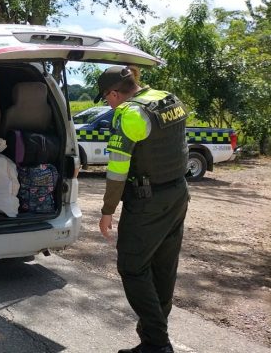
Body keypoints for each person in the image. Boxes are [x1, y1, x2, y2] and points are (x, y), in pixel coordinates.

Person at [94, 66, 190, 353]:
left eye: (107, 99)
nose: (109, 104)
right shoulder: (167, 99)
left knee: (132, 267)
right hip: (178, 193)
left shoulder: (130, 114)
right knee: (163, 268)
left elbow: (118, 170)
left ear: (114, 92)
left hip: (147, 201)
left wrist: (107, 210)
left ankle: (158, 344)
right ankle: (152, 339)